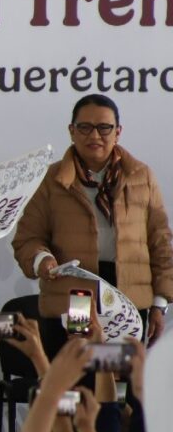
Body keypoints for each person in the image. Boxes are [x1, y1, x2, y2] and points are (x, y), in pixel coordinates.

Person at [12, 94, 173, 355]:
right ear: (72, 131)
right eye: (85, 127)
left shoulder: (142, 177)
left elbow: (160, 244)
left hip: (129, 298)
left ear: (118, 132)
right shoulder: (51, 180)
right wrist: (42, 259)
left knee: (120, 386)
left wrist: (159, 303)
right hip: (77, 296)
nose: (94, 136)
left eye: (104, 128)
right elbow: (27, 238)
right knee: (78, 378)